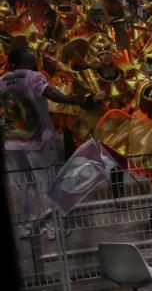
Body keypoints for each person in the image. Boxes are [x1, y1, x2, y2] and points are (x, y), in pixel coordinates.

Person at [2, 47, 96, 237]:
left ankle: (24, 227)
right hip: (37, 140)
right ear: (28, 63)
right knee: (46, 183)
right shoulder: (33, 77)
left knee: (21, 184)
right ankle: (53, 228)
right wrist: (77, 100)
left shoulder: (2, 81)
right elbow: (52, 94)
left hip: (12, 141)